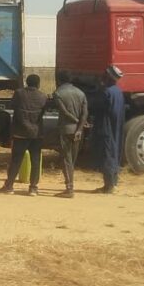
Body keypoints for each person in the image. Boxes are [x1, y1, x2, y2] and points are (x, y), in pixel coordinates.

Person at [0, 74, 48, 196]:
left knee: (16, 160)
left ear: (27, 82)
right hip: (36, 133)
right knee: (35, 161)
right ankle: (33, 188)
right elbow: (44, 111)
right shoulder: (43, 96)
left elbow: (12, 106)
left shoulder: (19, 93)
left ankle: (9, 186)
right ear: (38, 84)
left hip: (20, 133)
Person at [53, 69, 88, 198]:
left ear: (60, 80)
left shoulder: (58, 93)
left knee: (66, 159)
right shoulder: (81, 93)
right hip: (78, 131)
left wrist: (76, 121)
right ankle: (70, 186)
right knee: (72, 160)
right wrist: (80, 127)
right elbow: (85, 113)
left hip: (65, 130)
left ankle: (69, 188)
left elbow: (64, 112)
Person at [92, 65, 125, 194]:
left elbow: (98, 108)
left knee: (107, 153)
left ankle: (109, 186)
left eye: (104, 74)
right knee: (114, 151)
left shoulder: (106, 92)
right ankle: (114, 183)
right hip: (115, 125)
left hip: (106, 127)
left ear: (108, 77)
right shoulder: (118, 91)